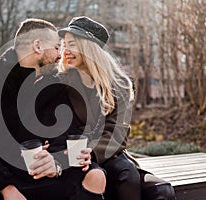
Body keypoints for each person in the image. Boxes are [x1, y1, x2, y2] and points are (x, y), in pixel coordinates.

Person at [0, 18, 106, 200]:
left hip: (35, 172)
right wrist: (6, 187)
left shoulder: (55, 84)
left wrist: (56, 163)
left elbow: (65, 134)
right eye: (56, 47)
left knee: (93, 173)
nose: (60, 55)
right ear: (38, 46)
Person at [57, 16, 176, 200]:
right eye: (64, 45)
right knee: (126, 176)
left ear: (89, 48)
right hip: (72, 155)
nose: (66, 50)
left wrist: (92, 152)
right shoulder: (61, 81)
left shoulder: (120, 84)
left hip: (105, 152)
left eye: (72, 44)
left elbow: (117, 134)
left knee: (161, 190)